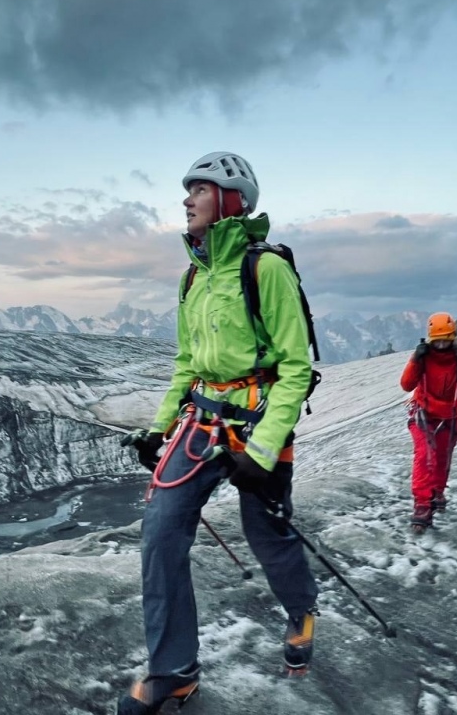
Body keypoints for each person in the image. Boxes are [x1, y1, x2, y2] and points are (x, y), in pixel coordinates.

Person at [117, 152, 319, 714]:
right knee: (160, 531)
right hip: (200, 424)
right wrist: (157, 428)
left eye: (199, 190)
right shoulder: (192, 277)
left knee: (268, 534)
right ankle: (173, 672)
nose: (186, 199)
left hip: (258, 426)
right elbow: (187, 363)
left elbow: (295, 368)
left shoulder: (267, 269)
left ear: (232, 201)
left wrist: (259, 451)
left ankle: (302, 608)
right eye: (188, 191)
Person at [399, 312, 457, 533]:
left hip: (450, 416)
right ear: (430, 339)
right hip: (423, 414)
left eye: (447, 339)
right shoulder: (424, 357)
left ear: (454, 337)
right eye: (438, 340)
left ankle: (436, 491)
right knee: (425, 455)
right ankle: (422, 504)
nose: (443, 344)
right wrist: (414, 360)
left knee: (442, 458)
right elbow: (407, 385)